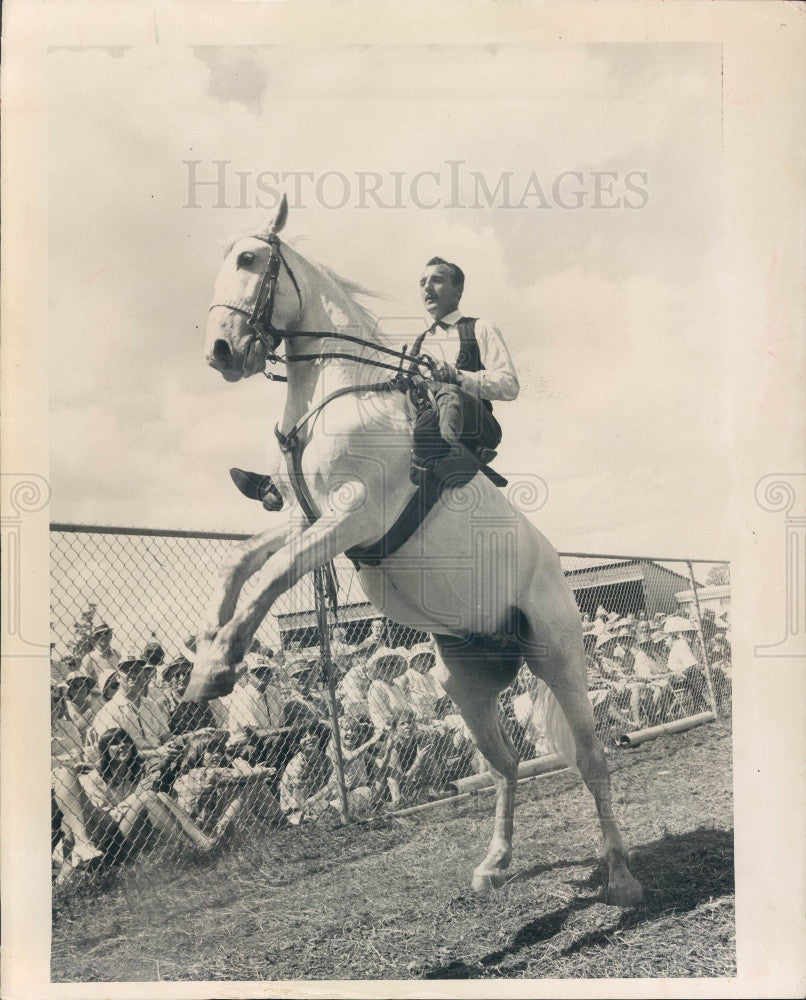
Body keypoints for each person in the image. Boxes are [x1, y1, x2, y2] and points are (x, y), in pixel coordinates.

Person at [408, 257, 519, 485]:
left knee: (449, 391)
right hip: (430, 424)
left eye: (437, 280)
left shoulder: (480, 328)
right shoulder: (418, 344)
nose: (427, 287)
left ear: (458, 290)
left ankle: (455, 454)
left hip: (478, 426)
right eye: (422, 283)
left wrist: (459, 377)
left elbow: (510, 386)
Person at [87, 654, 171, 759]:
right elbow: (115, 755)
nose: (133, 674)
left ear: (143, 674)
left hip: (161, 756)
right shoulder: (109, 711)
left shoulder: (150, 704)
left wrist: (171, 748)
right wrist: (156, 753)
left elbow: (166, 738)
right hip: (134, 765)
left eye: (136, 669)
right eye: (126, 670)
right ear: (118, 677)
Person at [365, 648, 409, 732]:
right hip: (388, 729)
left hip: (404, 726)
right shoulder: (377, 686)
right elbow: (384, 718)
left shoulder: (397, 686)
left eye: (392, 664)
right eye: (383, 665)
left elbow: (406, 711)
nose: (389, 667)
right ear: (376, 669)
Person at [397, 644, 442, 722]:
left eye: (427, 657)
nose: (424, 660)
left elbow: (436, 693)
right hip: (415, 708)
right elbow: (399, 687)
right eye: (420, 657)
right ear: (413, 661)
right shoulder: (409, 673)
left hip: (430, 708)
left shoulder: (430, 676)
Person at [64, 670, 102, 740]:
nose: (81, 689)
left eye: (83, 685)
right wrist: (84, 719)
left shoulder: (91, 702)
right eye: (76, 686)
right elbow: (70, 730)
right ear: (69, 690)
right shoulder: (68, 707)